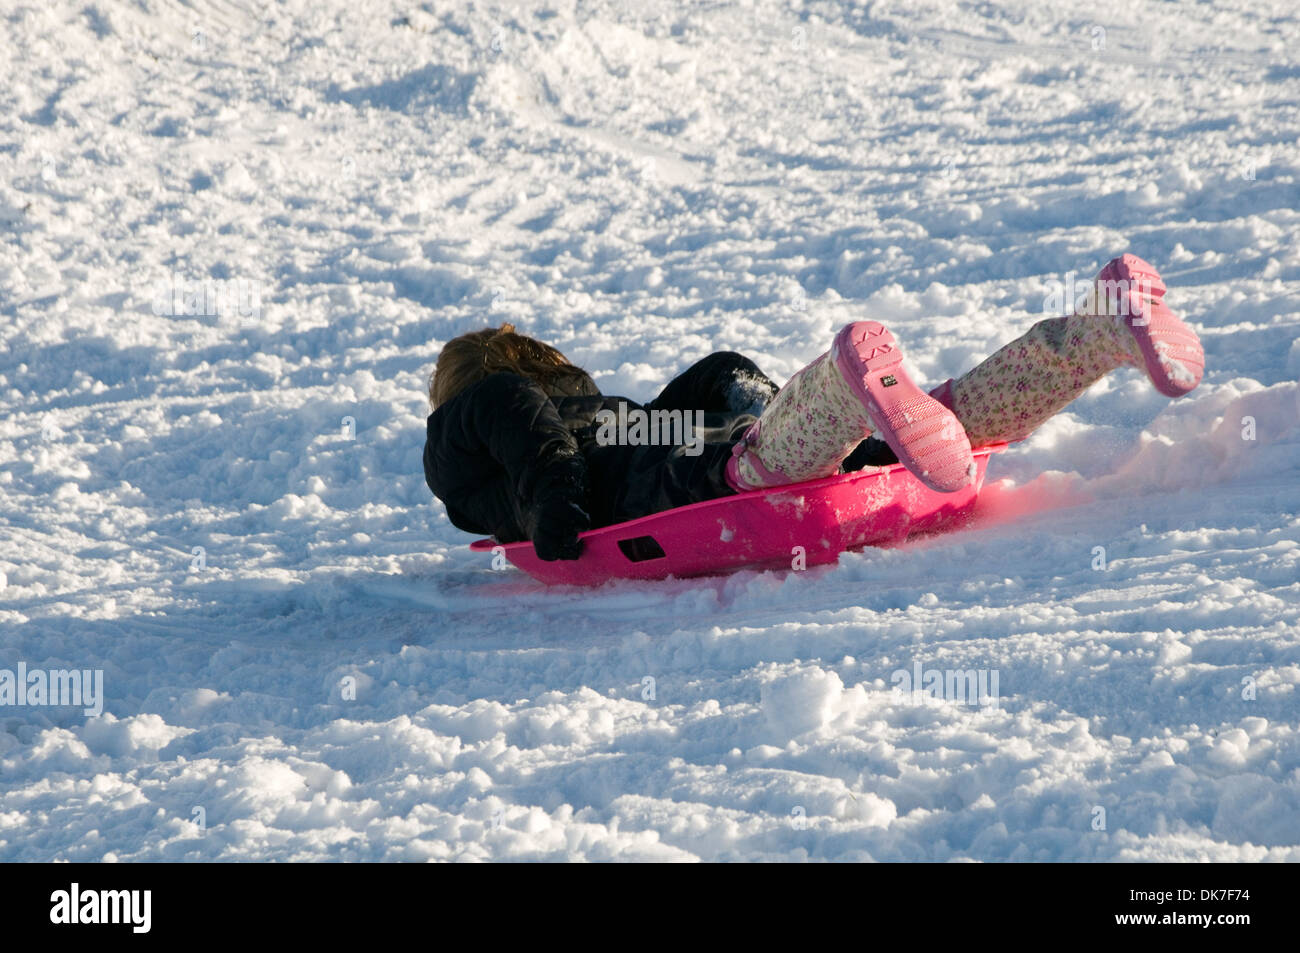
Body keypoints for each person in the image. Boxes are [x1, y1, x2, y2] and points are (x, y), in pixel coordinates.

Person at [423, 254, 1203, 561]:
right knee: (957, 426)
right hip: (694, 440)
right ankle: (1101, 325)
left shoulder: (467, 429)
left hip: (679, 474)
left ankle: (838, 387)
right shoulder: (601, 419)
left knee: (759, 468)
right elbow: (713, 372)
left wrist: (554, 500)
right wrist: (737, 393)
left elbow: (505, 407)